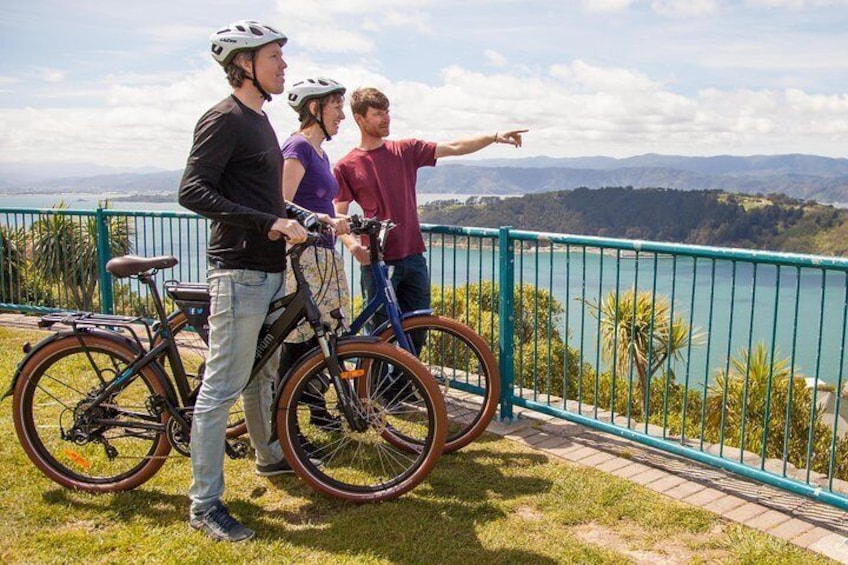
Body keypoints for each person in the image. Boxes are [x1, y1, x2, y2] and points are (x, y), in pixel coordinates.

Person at [178, 19, 309, 543]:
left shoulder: (260, 121)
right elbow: (192, 190)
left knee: (263, 375)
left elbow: (265, 198)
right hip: (238, 270)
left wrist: (308, 218)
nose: (284, 66)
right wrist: (268, 223)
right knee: (221, 388)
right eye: (275, 57)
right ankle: (204, 504)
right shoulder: (225, 118)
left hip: (268, 269)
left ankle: (269, 456)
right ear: (245, 65)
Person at [333, 86, 527, 333]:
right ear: (359, 119)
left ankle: (408, 374)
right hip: (377, 261)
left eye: (387, 112)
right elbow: (338, 214)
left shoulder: (404, 150)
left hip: (413, 256)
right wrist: (353, 247)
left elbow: (454, 146)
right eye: (378, 114)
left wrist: (495, 136)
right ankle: (377, 374)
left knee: (419, 330)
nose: (386, 118)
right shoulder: (346, 166)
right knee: (379, 336)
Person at [277, 77, 351, 430]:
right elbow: (281, 203)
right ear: (314, 108)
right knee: (301, 336)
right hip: (303, 256)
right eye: (335, 106)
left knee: (327, 332)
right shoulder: (298, 148)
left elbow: (313, 204)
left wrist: (334, 219)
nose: (342, 115)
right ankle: (285, 418)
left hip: (323, 254)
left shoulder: (320, 151)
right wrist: (320, 219)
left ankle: (317, 408)